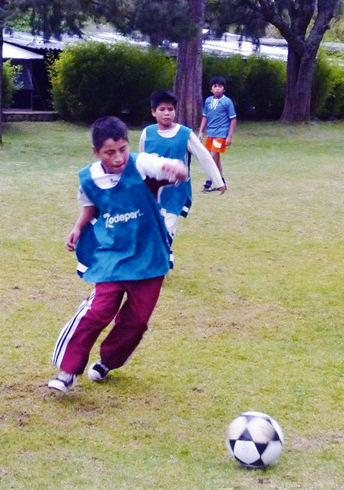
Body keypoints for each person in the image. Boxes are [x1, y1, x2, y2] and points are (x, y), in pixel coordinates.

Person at [48, 116, 189, 393]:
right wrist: (77, 228)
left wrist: (174, 168)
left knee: (136, 322)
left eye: (122, 149)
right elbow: (91, 206)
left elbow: (165, 166)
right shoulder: (89, 178)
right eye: (109, 152)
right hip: (113, 254)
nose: (118, 157)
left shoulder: (140, 164)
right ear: (96, 152)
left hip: (150, 257)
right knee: (97, 311)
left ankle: (108, 361)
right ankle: (68, 370)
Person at [139, 90, 226, 240]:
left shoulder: (185, 134)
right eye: (162, 109)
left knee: (166, 235)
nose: (166, 113)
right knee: (151, 235)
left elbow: (204, 157)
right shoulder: (147, 133)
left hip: (175, 194)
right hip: (152, 195)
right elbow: (141, 162)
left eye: (170, 109)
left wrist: (217, 181)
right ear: (153, 112)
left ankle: (163, 259)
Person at [198, 75, 237, 191]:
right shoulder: (208, 101)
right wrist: (201, 132)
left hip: (221, 134)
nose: (218, 89)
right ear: (211, 89)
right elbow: (205, 117)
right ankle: (222, 181)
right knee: (216, 158)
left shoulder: (227, 102)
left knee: (211, 157)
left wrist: (229, 136)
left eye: (220, 86)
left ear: (224, 89)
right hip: (210, 133)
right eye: (215, 86)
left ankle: (210, 181)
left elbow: (233, 119)